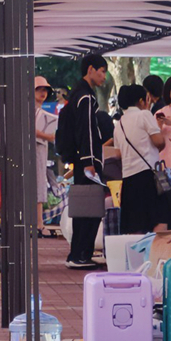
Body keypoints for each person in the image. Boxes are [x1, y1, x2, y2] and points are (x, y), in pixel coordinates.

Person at [57, 55, 113, 269]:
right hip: (87, 163)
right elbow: (87, 131)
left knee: (84, 207)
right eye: (101, 71)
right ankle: (80, 254)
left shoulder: (77, 95)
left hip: (80, 161)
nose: (103, 76)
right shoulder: (86, 98)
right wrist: (89, 161)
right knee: (89, 209)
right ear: (90, 69)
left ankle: (79, 253)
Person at [115, 84, 171, 233]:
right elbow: (158, 141)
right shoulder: (144, 115)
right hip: (147, 176)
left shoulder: (120, 123)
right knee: (159, 219)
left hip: (128, 179)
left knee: (135, 224)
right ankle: (155, 253)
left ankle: (137, 255)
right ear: (141, 101)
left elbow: (118, 154)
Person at [33, 77, 58, 232]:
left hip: (40, 149)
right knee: (37, 183)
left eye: (45, 90)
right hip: (34, 149)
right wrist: (47, 136)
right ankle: (38, 223)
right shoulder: (30, 108)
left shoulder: (40, 110)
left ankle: (38, 222)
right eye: (39, 89)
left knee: (40, 182)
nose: (43, 93)